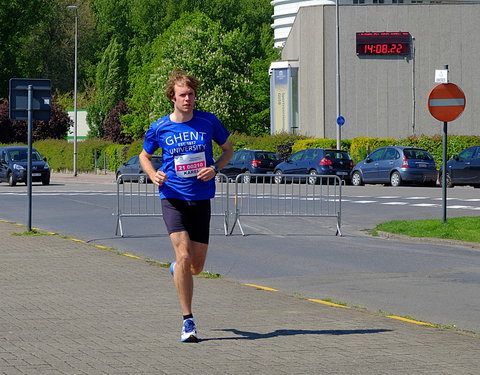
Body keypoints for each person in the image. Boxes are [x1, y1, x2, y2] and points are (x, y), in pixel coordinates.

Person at [139, 70, 233, 343]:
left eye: (191, 94)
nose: (188, 99)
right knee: (183, 257)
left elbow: (229, 150)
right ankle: (188, 322)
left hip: (201, 198)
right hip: (172, 197)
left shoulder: (208, 122)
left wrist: (214, 168)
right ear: (173, 97)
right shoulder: (159, 127)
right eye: (182, 95)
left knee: (196, 266)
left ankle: (178, 270)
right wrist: (153, 173)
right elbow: (144, 156)